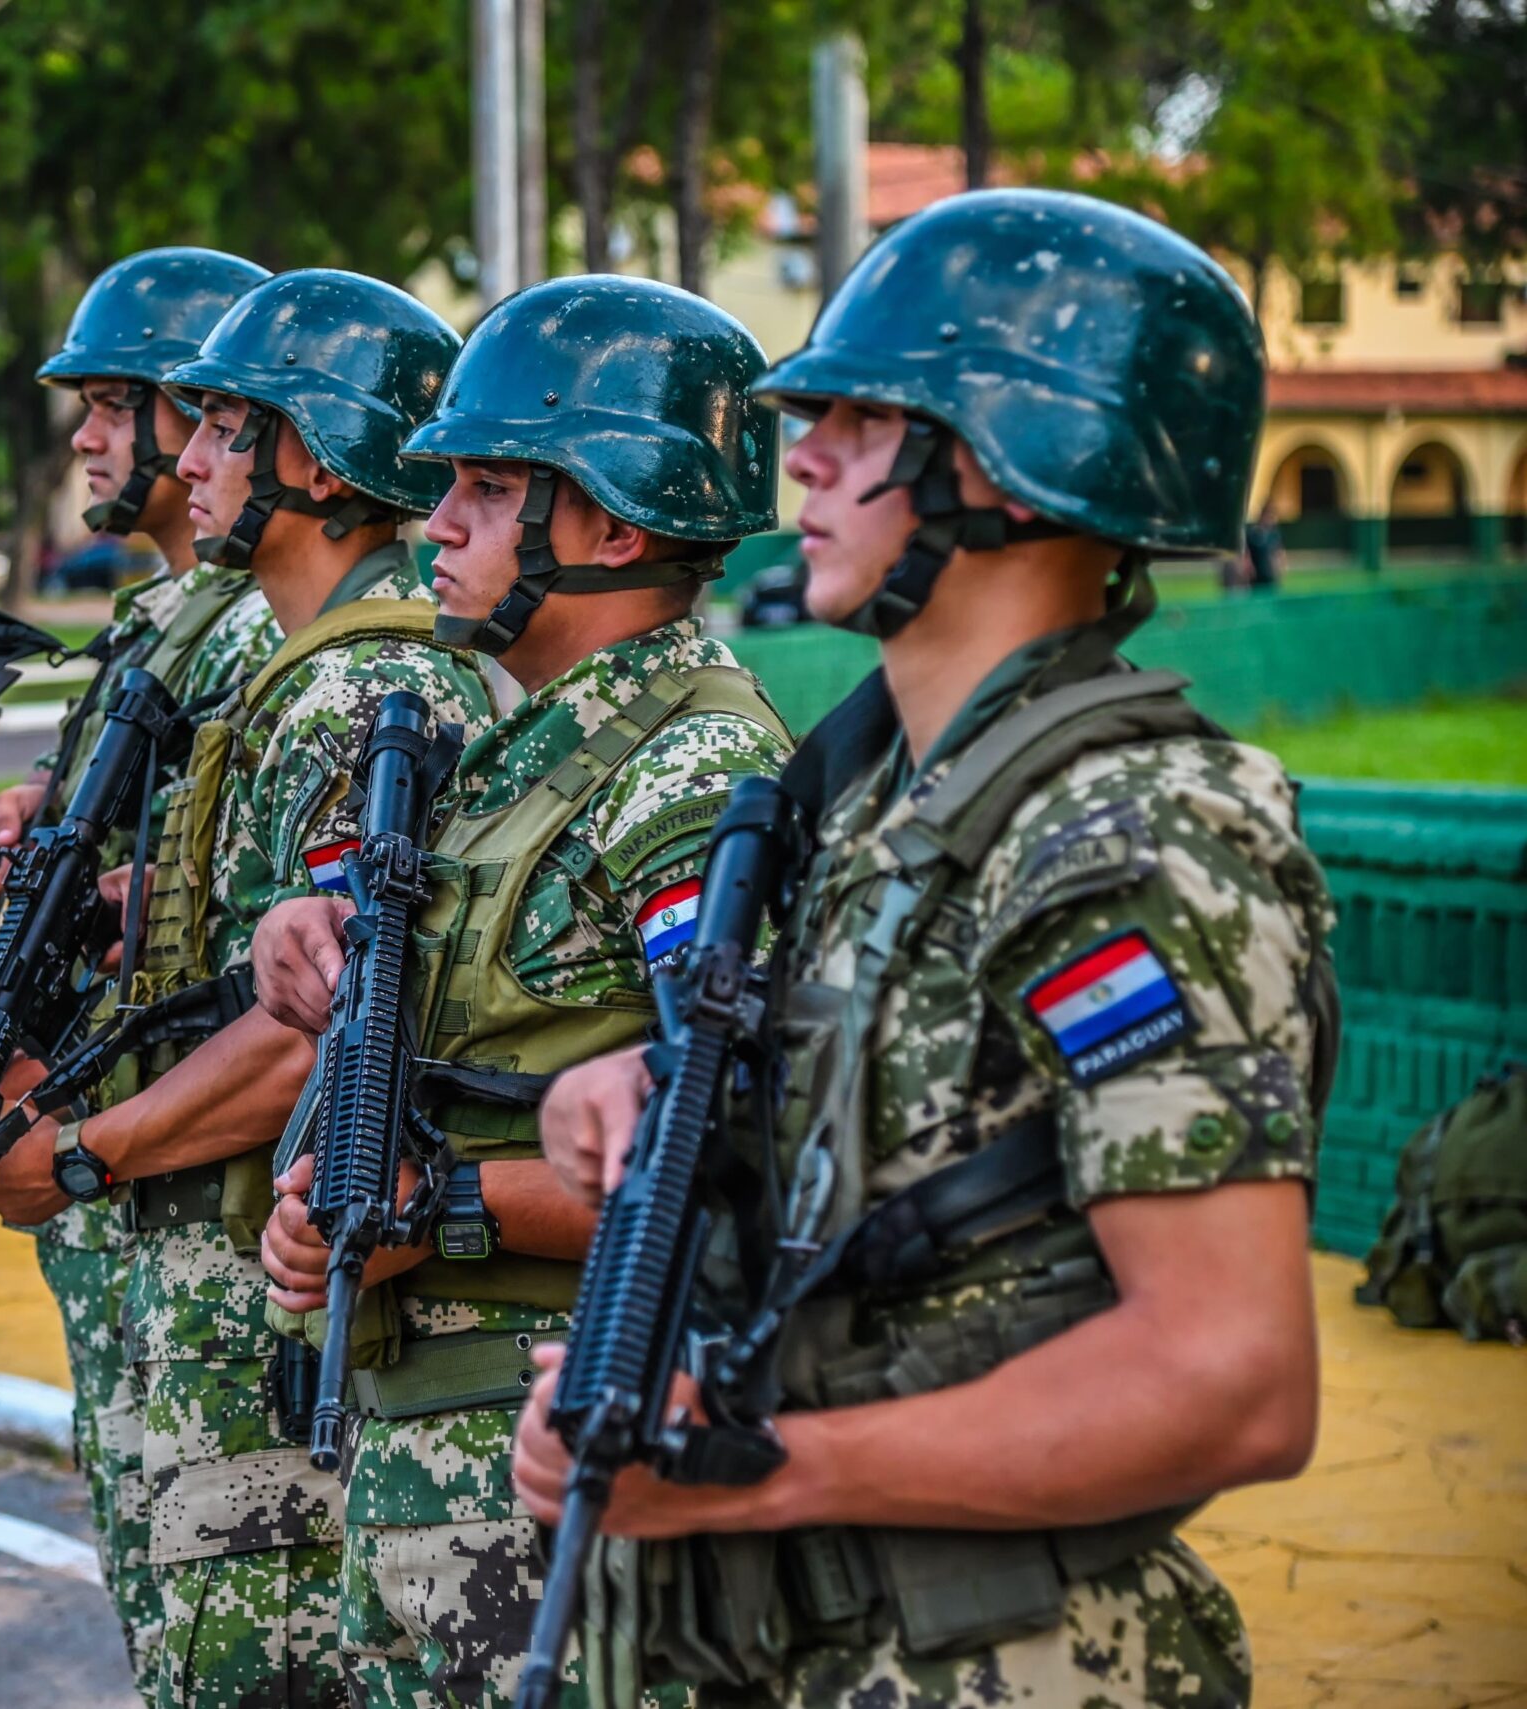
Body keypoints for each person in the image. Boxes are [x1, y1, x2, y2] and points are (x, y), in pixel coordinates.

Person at [516, 189, 1338, 1709]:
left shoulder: (1131, 833)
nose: (803, 453)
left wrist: (752, 1475)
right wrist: (651, 1082)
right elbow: (916, 1117)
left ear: (1016, 466)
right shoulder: (887, 794)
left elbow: (1231, 1380)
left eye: (865, 418)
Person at [247, 276, 793, 1706]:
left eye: (488, 492)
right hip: (428, 1440)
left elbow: (730, 1146)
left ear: (612, 525)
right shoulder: (526, 748)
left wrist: (445, 1211)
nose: (435, 525)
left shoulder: (685, 776)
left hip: (544, 1457)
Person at [0, 267, 497, 1709]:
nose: (180, 458)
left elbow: (320, 1036)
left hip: (256, 1261)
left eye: (220, 427)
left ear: (316, 463)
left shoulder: (353, 691)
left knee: (253, 1665)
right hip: (218, 1240)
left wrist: (83, 1153)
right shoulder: (296, 671)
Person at [0, 244, 281, 1683]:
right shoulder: (164, 615)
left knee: (237, 1614)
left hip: (202, 1179)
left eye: (109, 406)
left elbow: (251, 924)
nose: (84, 437)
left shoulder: (279, 629)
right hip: (136, 1161)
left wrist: (87, 1143)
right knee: (164, 1587)